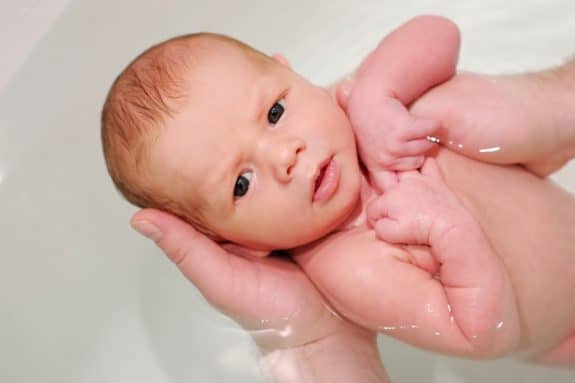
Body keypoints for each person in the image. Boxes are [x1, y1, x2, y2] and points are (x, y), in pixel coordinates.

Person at [101, 14, 575, 378]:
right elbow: (485, 335)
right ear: (241, 244)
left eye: (274, 111)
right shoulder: (350, 267)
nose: (284, 154)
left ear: (293, 74)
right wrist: (451, 231)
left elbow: (438, 31)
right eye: (241, 183)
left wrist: (377, 92)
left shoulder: (358, 109)